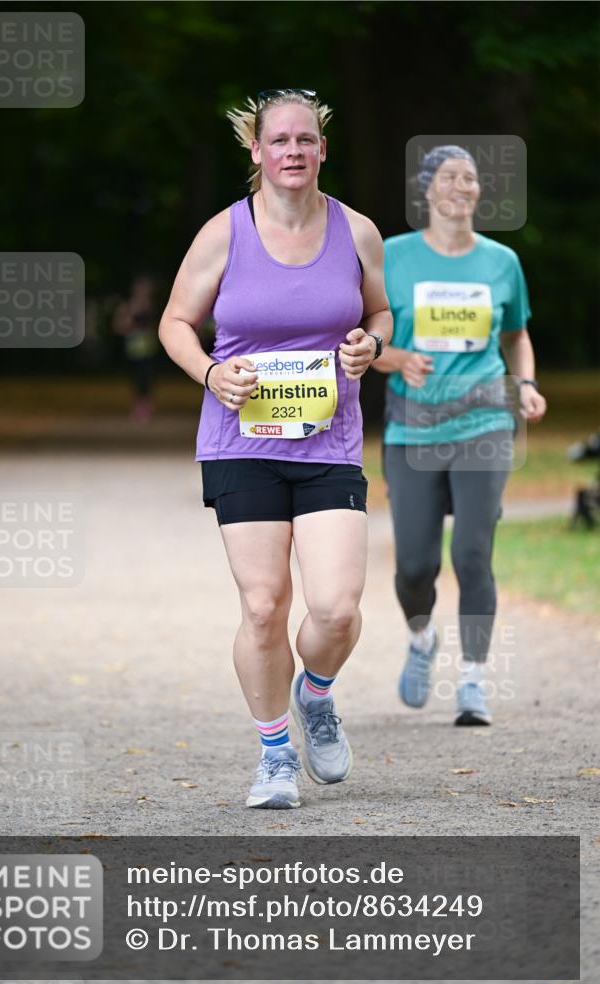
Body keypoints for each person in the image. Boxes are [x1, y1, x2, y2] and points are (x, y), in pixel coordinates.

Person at [159, 89, 392, 808]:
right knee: (263, 606)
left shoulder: (356, 232)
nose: (293, 151)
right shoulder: (223, 233)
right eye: (279, 140)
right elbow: (174, 321)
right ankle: (273, 758)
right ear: (255, 152)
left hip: (328, 440)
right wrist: (209, 370)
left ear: (322, 150)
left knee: (336, 610)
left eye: (305, 140)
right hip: (241, 440)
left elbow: (379, 310)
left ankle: (314, 693)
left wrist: (369, 343)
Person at [373, 144, 546, 725]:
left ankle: (474, 681)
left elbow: (517, 334)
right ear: (426, 190)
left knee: (473, 553)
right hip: (412, 428)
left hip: (486, 421)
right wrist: (396, 357)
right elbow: (362, 343)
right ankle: (421, 639)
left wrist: (523, 384)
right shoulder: (392, 257)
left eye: (470, 178)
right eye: (448, 176)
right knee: (415, 567)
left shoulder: (502, 261)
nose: (461, 186)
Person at [113, 274, 158, 421]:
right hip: (134, 350)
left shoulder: (151, 306)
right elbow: (119, 326)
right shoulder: (128, 306)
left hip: (149, 349)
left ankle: (146, 405)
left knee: (148, 379)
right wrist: (131, 323)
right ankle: (139, 405)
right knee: (137, 379)